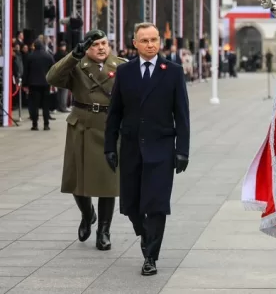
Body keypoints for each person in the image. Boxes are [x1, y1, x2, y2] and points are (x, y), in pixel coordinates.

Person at [103, 22, 191, 276]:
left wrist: (182, 150)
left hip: (161, 148)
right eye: (145, 40)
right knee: (131, 205)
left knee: (156, 204)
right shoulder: (125, 72)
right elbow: (115, 112)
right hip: (131, 147)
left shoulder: (172, 71)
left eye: (154, 40)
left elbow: (182, 114)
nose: (151, 45)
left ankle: (151, 256)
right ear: (135, 43)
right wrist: (110, 145)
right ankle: (144, 233)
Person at [46, 30, 126, 250]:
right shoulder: (77, 66)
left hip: (110, 127)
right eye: (95, 45)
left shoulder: (122, 66)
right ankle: (87, 213)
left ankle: (104, 230)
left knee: (108, 183)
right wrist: (73, 55)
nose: (101, 48)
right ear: (86, 47)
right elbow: (52, 78)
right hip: (82, 126)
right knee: (76, 179)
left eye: (104, 43)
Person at [23, 39, 55, 130]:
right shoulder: (48, 56)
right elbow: (53, 69)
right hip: (46, 83)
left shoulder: (30, 57)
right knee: (45, 105)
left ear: (34, 47)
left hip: (33, 84)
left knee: (34, 105)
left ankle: (35, 124)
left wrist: (25, 84)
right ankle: (46, 124)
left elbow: (26, 72)